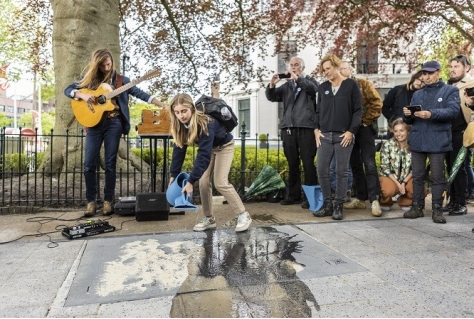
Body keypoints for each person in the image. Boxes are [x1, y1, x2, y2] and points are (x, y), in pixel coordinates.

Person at [64, 48, 164, 217]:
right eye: (102, 65)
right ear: (97, 65)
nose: (106, 67)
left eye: (108, 63)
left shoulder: (122, 81)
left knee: (110, 164)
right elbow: (68, 89)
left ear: (112, 60)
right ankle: (91, 202)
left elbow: (140, 94)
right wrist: (81, 95)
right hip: (94, 126)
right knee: (89, 164)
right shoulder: (90, 80)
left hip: (114, 124)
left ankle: (108, 201)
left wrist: (161, 104)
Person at [168, 93, 252, 232]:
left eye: (184, 111)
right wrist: (174, 174)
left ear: (192, 109)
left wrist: (190, 181)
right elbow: (179, 149)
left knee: (220, 182)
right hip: (210, 148)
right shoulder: (180, 125)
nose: (181, 116)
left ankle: (243, 215)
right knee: (203, 182)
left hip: (224, 146)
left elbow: (203, 156)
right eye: (177, 112)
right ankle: (209, 219)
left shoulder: (206, 123)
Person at [402, 60, 460, 224]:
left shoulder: (450, 90)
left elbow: (453, 111)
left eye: (430, 73)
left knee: (437, 177)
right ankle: (417, 207)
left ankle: (437, 209)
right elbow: (410, 119)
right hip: (419, 139)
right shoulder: (418, 93)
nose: (426, 77)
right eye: (424, 73)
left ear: (439, 72)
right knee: (418, 176)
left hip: (438, 140)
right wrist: (407, 114)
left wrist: (431, 114)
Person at [313, 54, 362, 220]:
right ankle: (327, 205)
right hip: (324, 135)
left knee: (342, 171)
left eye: (328, 69)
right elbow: (318, 111)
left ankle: (338, 206)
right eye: (323, 70)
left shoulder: (351, 85)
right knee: (321, 170)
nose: (325, 72)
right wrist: (316, 130)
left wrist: (351, 131)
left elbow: (357, 111)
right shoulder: (322, 87)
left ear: (336, 66)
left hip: (344, 136)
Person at [265, 57, 318, 209]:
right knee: (292, 162)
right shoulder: (287, 86)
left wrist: (298, 79)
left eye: (296, 65)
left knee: (308, 163)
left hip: (306, 127)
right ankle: (293, 195)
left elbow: (314, 90)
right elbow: (272, 97)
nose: (293, 67)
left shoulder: (309, 81)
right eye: (291, 65)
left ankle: (310, 196)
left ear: (302, 67)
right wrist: (272, 84)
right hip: (288, 128)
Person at [339, 61, 383, 217]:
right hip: (348, 132)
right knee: (355, 165)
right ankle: (361, 197)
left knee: (369, 164)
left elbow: (377, 103)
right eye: (339, 69)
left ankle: (375, 199)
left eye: (343, 68)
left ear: (351, 69)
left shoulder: (363, 84)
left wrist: (365, 121)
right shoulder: (338, 88)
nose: (341, 71)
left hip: (364, 129)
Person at [444, 54, 474, 216]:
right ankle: (452, 201)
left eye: (457, 66)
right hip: (447, 132)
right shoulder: (447, 85)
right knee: (450, 167)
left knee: (459, 168)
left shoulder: (470, 85)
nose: (452, 69)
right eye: (451, 66)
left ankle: (461, 203)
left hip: (463, 133)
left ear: (466, 68)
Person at [378, 118, 414, 212]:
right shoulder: (387, 144)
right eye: (396, 131)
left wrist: (404, 182)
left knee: (416, 188)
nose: (398, 134)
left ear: (407, 131)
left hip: (407, 178)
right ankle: (386, 201)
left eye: (401, 130)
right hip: (390, 177)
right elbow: (384, 167)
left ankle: (405, 201)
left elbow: (415, 168)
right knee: (388, 190)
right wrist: (398, 184)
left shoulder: (414, 145)